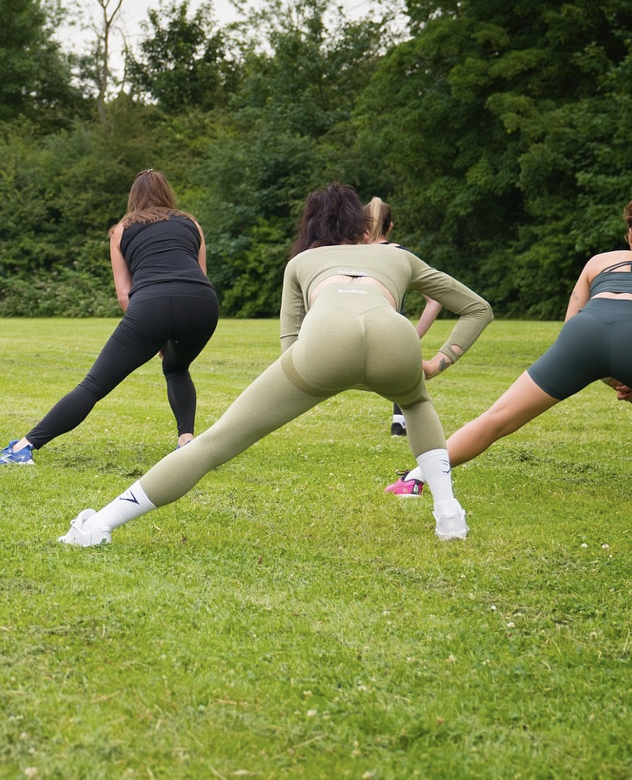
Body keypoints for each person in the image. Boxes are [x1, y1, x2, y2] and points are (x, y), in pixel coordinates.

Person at [57, 182, 492, 547]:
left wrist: (315, 379)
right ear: (364, 226)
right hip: (395, 338)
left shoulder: (302, 262)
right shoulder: (400, 257)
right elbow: (477, 308)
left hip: (324, 342)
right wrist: (438, 361)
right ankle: (448, 513)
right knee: (415, 403)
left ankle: (97, 525)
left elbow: (291, 344)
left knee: (214, 443)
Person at [386, 193, 632, 500]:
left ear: (631, 231)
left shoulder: (598, 261)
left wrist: (612, 374)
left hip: (582, 332)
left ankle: (415, 478)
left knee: (499, 416)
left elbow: (573, 327)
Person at [0, 169, 219, 464]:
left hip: (150, 303)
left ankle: (24, 447)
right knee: (176, 368)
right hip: (202, 303)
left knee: (94, 385)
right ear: (167, 193)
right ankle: (186, 440)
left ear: (133, 197)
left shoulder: (122, 229)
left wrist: (153, 331)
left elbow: (124, 294)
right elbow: (201, 274)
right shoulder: (192, 223)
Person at [364, 197, 443, 437]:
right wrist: (414, 335)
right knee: (404, 375)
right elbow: (435, 300)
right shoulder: (402, 255)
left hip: (360, 327)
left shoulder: (353, 254)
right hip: (393, 329)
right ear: (390, 227)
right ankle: (400, 421)